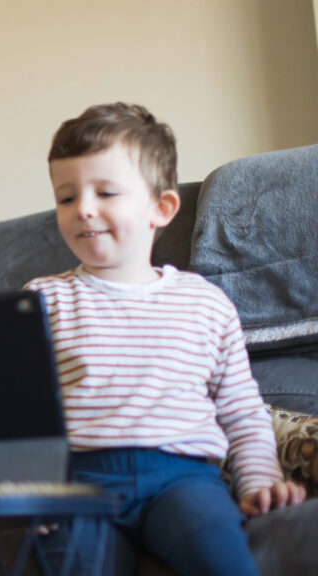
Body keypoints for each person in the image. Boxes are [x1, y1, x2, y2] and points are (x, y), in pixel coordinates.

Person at [24, 103, 306, 575]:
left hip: (184, 480)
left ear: (162, 208)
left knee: (226, 561)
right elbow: (20, 409)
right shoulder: (41, 300)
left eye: (105, 192)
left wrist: (260, 483)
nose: (83, 209)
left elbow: (241, 409)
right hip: (79, 486)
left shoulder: (206, 303)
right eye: (66, 197)